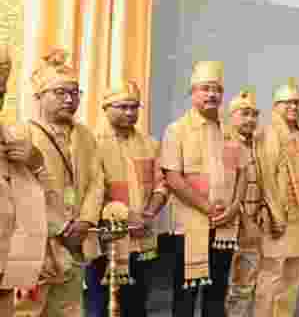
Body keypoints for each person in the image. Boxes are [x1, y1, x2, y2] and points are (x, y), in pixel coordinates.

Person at [13, 50, 102, 317]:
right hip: (37, 242)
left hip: (76, 241)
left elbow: (97, 181)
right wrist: (62, 227)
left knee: (70, 309)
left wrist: (85, 221)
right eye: (60, 92)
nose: (69, 99)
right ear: (39, 97)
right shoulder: (23, 133)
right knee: (28, 311)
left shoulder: (85, 134)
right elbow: (22, 191)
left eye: (75, 93)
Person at [160, 61, 243, 317]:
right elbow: (173, 177)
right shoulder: (176, 130)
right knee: (186, 294)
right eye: (205, 89)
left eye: (217, 89)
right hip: (190, 224)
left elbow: (242, 173)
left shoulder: (231, 132)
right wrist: (207, 207)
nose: (212, 95)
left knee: (217, 293)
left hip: (224, 225)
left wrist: (233, 208)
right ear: (193, 92)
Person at [84, 81, 169, 317]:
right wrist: (127, 216)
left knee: (137, 303)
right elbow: (91, 190)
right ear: (105, 107)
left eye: (134, 107)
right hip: (106, 238)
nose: (130, 113)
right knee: (100, 306)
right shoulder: (91, 143)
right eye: (123, 107)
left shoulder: (150, 144)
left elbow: (162, 183)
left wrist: (149, 213)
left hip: (142, 238)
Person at [255, 79, 299, 317]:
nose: (294, 107)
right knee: (271, 274)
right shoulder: (269, 132)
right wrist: (274, 214)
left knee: (294, 276)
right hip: (278, 215)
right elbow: (266, 177)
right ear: (276, 105)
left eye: (298, 103)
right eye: (288, 103)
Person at [0, 47, 55, 317]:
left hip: (8, 263)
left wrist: (36, 161)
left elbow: (49, 198)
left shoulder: (12, 136)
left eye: (0, 92)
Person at [224, 89, 263, 317]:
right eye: (244, 113)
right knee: (230, 285)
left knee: (247, 284)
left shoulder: (258, 146)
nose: (250, 119)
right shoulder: (227, 145)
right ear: (232, 116)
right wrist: (246, 222)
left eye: (254, 114)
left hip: (255, 227)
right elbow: (228, 190)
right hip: (232, 228)